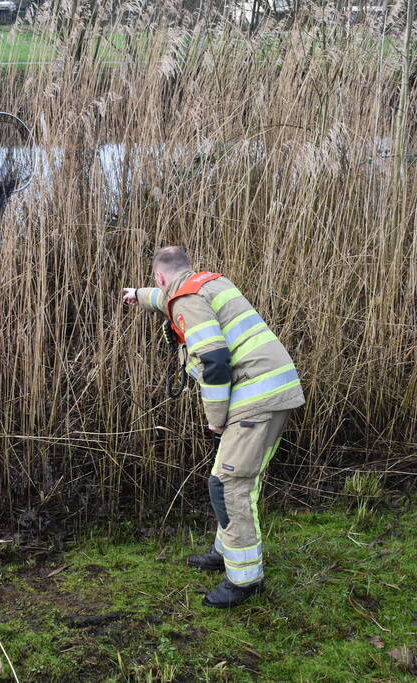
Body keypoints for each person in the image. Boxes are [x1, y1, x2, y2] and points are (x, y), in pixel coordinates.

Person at [122, 246, 304, 608]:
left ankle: (244, 580)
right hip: (273, 389)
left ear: (160, 275)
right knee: (233, 477)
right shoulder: (209, 284)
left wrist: (215, 420)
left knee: (229, 484)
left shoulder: (186, 300)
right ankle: (226, 551)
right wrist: (138, 295)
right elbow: (167, 296)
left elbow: (215, 361)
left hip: (255, 397)